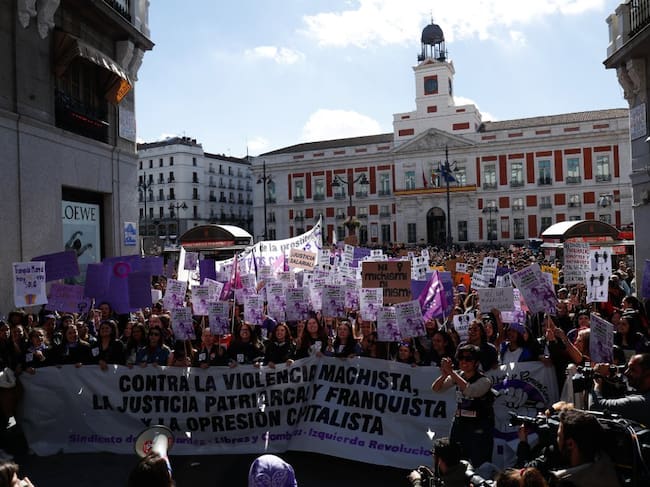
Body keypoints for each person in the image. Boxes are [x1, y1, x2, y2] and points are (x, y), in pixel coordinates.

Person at [432, 344, 495, 468]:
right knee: (455, 459)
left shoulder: (485, 381)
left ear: (476, 362)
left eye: (468, 359)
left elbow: (470, 391)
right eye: (460, 358)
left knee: (479, 462)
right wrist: (445, 374)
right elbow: (436, 389)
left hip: (479, 426)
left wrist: (451, 373)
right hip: (460, 424)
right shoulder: (458, 375)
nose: (463, 362)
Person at [549, 409, 621, 487]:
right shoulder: (606, 462)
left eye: (559, 436)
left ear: (570, 444)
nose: (557, 440)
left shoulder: (565, 481)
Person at [590, 352, 650, 426]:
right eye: (627, 368)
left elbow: (597, 407)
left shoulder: (641, 403)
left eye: (633, 370)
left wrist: (597, 381)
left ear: (647, 374)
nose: (626, 372)